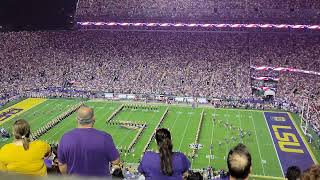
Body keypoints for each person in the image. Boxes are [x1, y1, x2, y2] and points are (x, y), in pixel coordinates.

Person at [58, 105, 120, 177]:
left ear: (77, 119)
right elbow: (116, 161)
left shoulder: (65, 138)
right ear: (94, 118)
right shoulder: (105, 137)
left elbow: (62, 165)